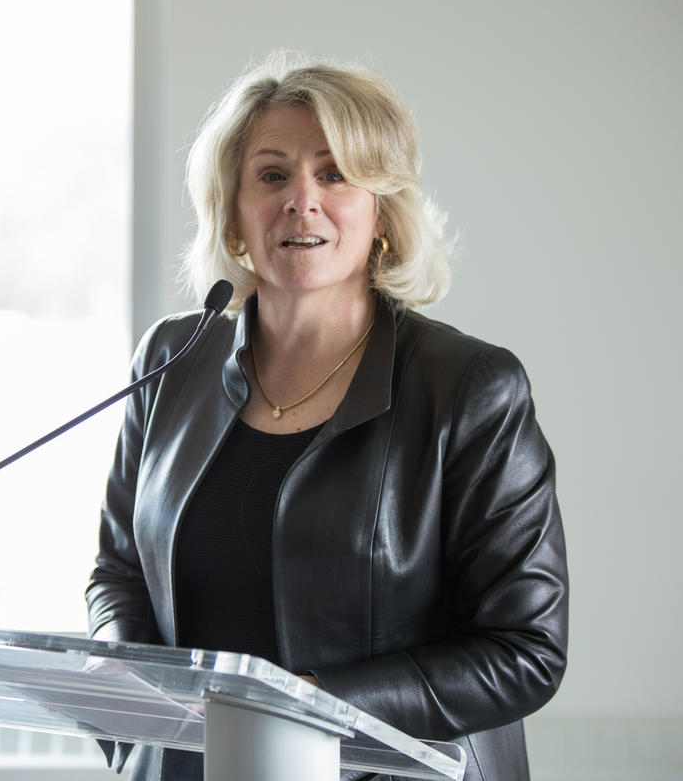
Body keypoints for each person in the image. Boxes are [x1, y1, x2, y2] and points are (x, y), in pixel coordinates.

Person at [86, 55, 567, 781]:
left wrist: (311, 707)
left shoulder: (469, 386)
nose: (301, 201)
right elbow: (117, 571)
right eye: (272, 175)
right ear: (234, 212)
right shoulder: (170, 360)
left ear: (382, 211)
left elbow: (525, 649)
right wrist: (139, 719)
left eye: (335, 174)